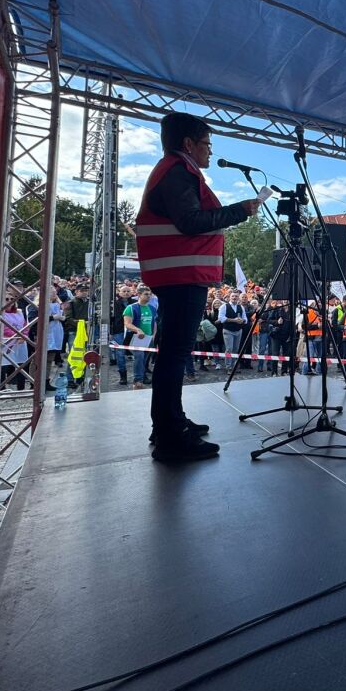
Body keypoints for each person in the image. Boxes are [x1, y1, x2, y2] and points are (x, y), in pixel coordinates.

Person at [135, 112, 256, 462]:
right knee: (175, 353)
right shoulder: (177, 170)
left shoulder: (173, 170)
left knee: (173, 352)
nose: (209, 151)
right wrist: (239, 211)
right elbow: (189, 221)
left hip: (180, 274)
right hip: (182, 275)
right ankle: (171, 437)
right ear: (188, 143)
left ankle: (170, 423)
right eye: (206, 144)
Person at [123, 288, 157, 387]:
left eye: (150, 294)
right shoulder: (131, 308)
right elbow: (127, 324)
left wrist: (154, 335)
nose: (149, 296)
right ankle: (137, 380)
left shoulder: (152, 308)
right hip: (136, 338)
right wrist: (138, 330)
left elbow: (154, 323)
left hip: (149, 338)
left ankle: (142, 376)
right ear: (139, 295)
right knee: (139, 357)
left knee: (144, 360)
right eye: (146, 294)